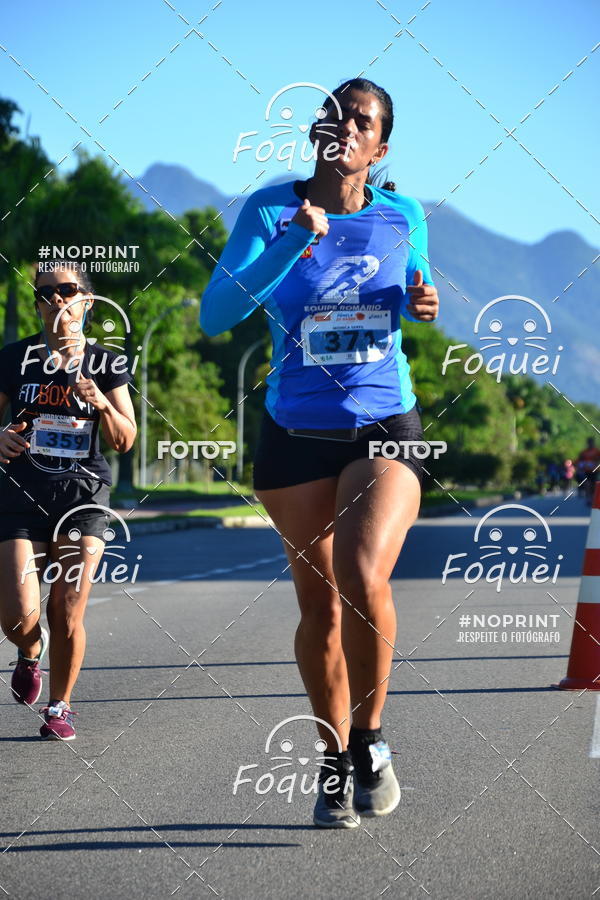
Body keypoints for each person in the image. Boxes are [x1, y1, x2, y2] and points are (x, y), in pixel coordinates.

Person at [201, 78, 439, 828]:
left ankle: (371, 740)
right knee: (320, 611)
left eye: (360, 120)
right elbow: (218, 313)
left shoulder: (404, 215)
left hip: (382, 423)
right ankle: (334, 761)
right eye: (332, 114)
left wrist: (422, 305)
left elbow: (409, 295)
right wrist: (292, 241)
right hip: (296, 431)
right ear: (316, 129)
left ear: (380, 146)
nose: (343, 127)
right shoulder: (270, 209)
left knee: (360, 573)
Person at [0, 261, 136, 740]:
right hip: (20, 496)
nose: (57, 298)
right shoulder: (13, 358)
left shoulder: (107, 363)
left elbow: (125, 439)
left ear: (87, 302)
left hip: (83, 498)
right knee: (18, 615)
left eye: (68, 290)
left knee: (68, 608)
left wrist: (101, 403)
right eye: (46, 293)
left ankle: (61, 706)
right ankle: (29, 651)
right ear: (38, 304)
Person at [577, 438, 600, 506]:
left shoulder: (597, 451)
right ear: (588, 443)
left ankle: (593, 498)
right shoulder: (584, 452)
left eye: (591, 443)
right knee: (587, 484)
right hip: (586, 471)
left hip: (595, 471)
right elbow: (580, 461)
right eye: (589, 443)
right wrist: (580, 468)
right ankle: (588, 498)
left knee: (594, 485)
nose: (590, 444)